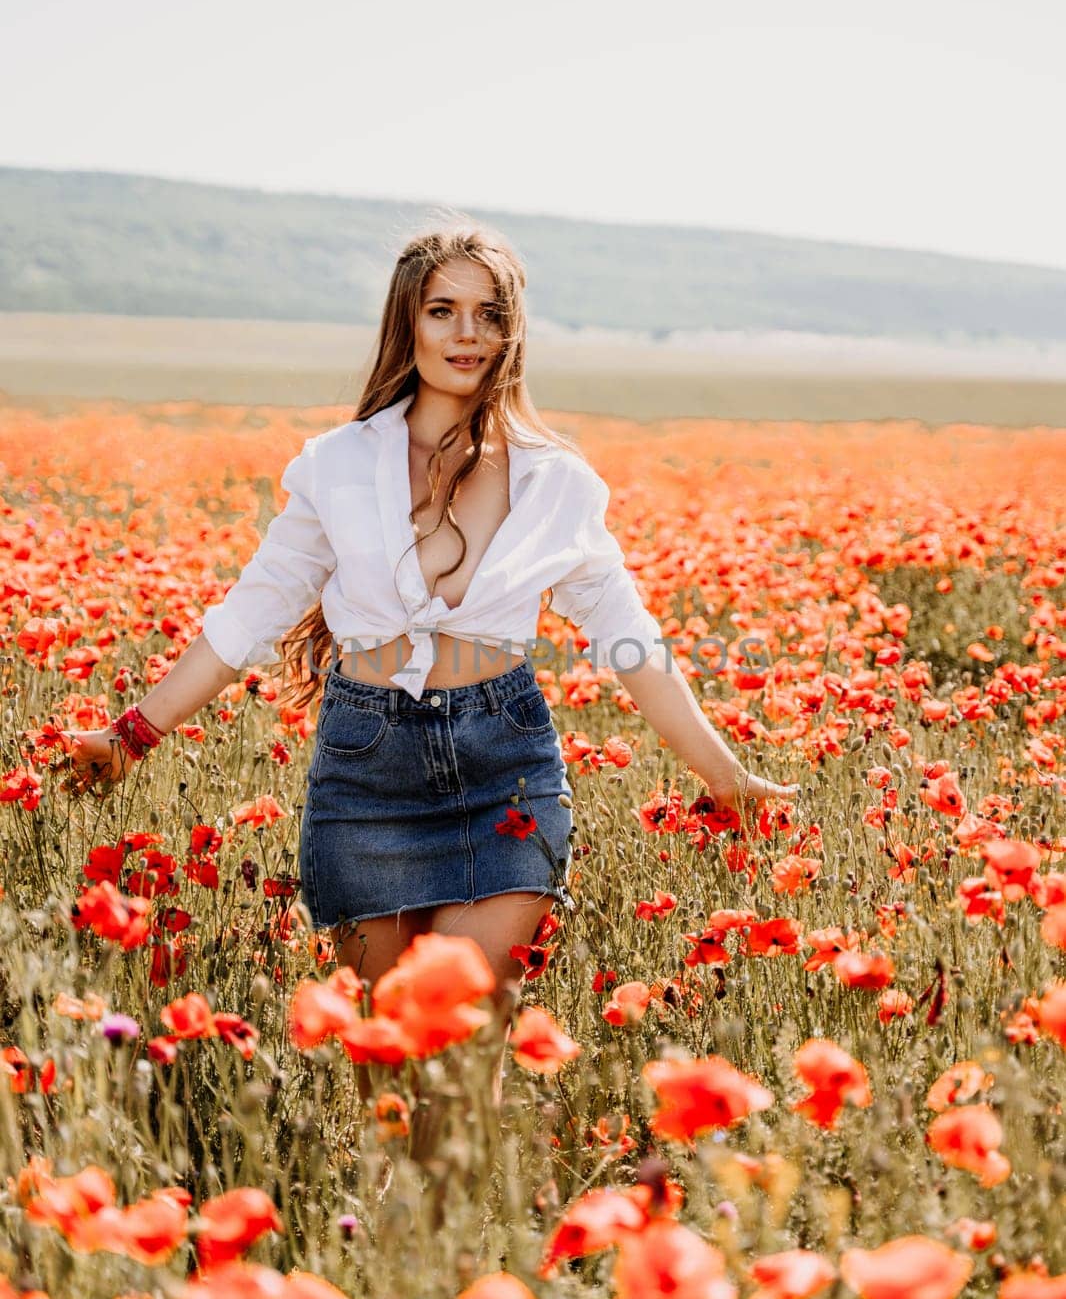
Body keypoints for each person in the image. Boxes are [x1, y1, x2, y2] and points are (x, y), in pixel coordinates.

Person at [59, 222, 798, 1157]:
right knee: (391, 1068)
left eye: (488, 315)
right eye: (442, 310)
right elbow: (245, 618)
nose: (466, 333)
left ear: (512, 333)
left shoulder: (555, 482)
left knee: (462, 1043)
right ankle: (409, 1250)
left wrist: (727, 779)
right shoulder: (336, 466)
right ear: (406, 325)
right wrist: (130, 735)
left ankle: (458, 1247)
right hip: (368, 771)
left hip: (505, 772)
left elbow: (631, 644)